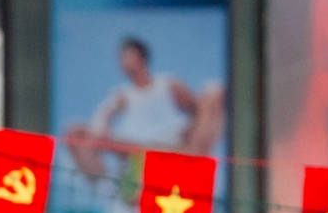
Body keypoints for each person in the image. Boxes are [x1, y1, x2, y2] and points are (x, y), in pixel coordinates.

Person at [65, 35, 225, 180]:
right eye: (121, 58)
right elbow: (103, 115)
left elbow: (196, 109)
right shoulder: (123, 95)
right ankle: (106, 186)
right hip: (137, 152)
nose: (122, 61)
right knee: (76, 132)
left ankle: (194, 168)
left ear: (139, 56)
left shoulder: (168, 84)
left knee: (214, 93)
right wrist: (101, 128)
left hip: (174, 149)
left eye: (126, 56)